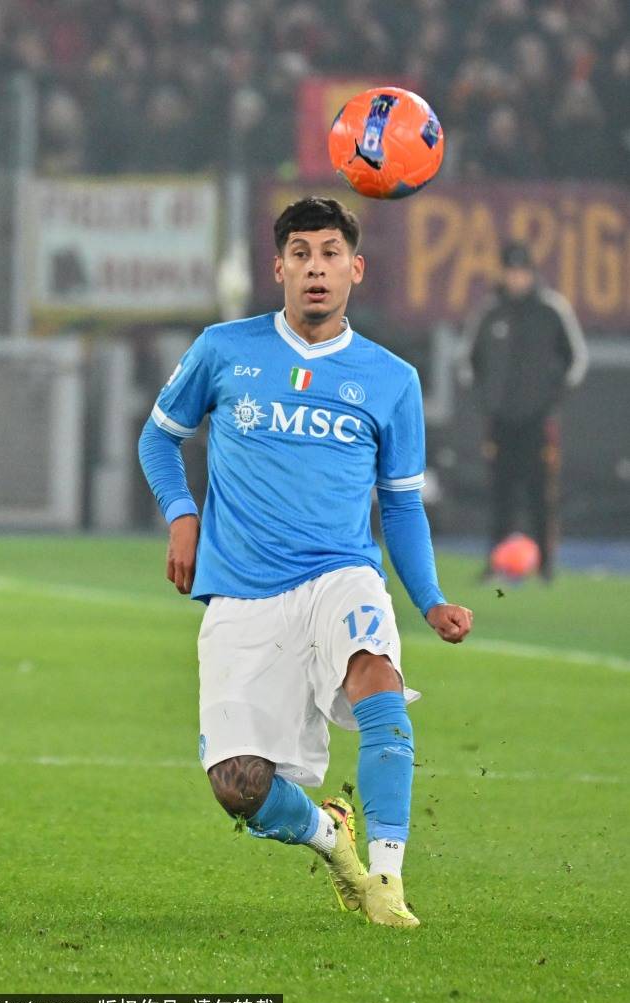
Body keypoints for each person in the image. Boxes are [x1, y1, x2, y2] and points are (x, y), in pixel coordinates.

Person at [139, 196, 473, 929]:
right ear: (279, 268)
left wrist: (429, 599)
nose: (315, 268)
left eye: (329, 254)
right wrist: (182, 516)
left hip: (339, 574)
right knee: (239, 785)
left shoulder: (391, 379)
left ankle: (387, 877)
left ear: (355, 269)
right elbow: (158, 438)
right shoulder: (223, 349)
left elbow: (401, 507)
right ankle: (332, 838)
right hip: (241, 593)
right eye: (300, 254)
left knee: (377, 678)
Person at [462, 240, 588, 580]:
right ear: (504, 274)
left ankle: (546, 565)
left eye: (522, 271)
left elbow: (575, 360)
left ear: (532, 273)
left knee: (540, 493)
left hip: (538, 421)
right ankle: (496, 561)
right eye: (512, 271)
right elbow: (470, 363)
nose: (517, 278)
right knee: (500, 493)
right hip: (500, 421)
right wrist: (487, 402)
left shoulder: (551, 311)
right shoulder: (490, 313)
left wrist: (551, 400)